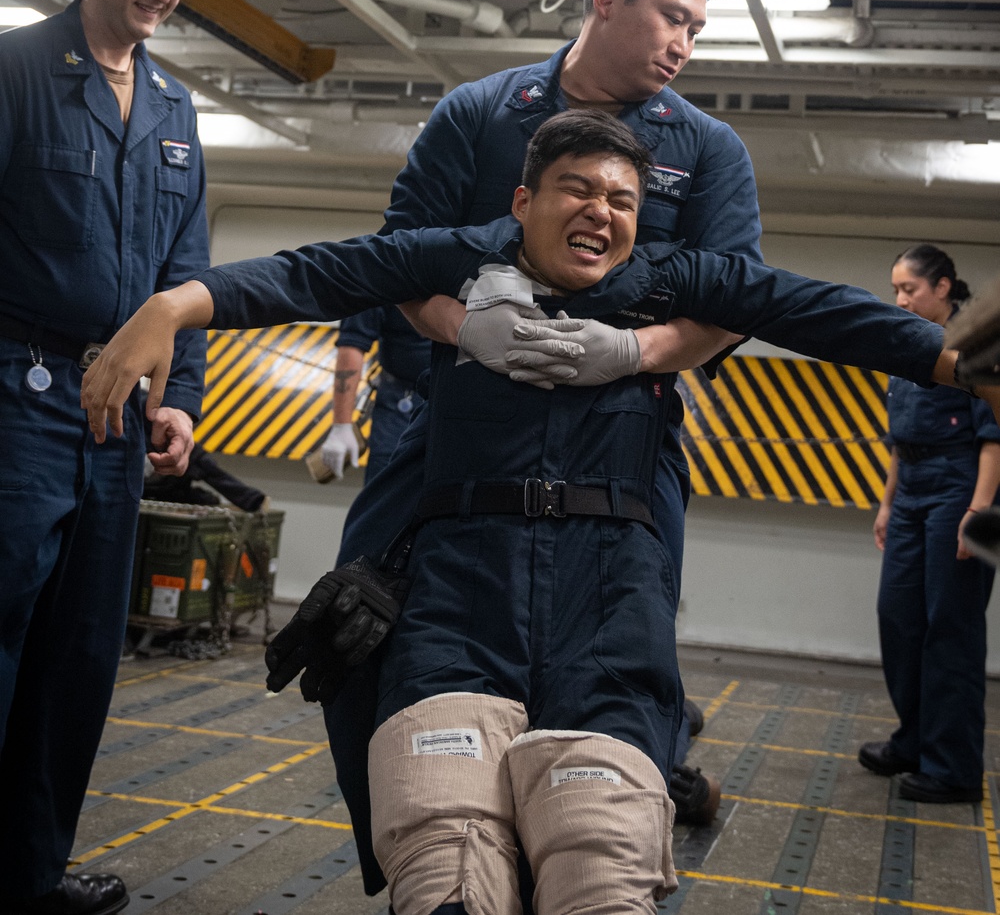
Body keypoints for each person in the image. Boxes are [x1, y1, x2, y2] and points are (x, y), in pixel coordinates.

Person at [80, 112, 1000, 915]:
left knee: (600, 861)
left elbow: (819, 312)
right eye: (577, 189)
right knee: (444, 852)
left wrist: (962, 367)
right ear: (523, 203)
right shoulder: (458, 256)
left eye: (622, 199)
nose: (602, 211)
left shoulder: (675, 277)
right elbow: (321, 271)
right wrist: (175, 304)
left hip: (612, 600)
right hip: (458, 589)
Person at [334, 0, 757, 834]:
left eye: (697, 29)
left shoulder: (710, 150)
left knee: (629, 643)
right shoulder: (480, 114)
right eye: (672, 18)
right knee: (361, 611)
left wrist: (632, 354)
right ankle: (428, 823)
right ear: (607, 1)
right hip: (463, 427)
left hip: (625, 444)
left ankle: (628, 793)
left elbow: (735, 301)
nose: (684, 44)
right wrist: (471, 335)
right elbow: (397, 261)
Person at [0, 0, 213, 915]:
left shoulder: (173, 109)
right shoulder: (18, 70)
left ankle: (30, 869)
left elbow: (187, 272)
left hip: (121, 414)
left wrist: (184, 400)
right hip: (17, 389)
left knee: (81, 647)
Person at [859, 244, 1000, 804]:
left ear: (942, 288)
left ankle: (954, 768)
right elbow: (900, 440)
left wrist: (978, 511)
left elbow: (994, 439)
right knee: (899, 619)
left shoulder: (976, 346)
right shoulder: (909, 348)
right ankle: (914, 742)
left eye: (909, 289)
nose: (899, 299)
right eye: (895, 289)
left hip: (959, 490)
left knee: (950, 629)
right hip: (913, 492)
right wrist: (888, 503)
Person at [319, 308, 430, 482]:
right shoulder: (383, 281)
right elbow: (352, 343)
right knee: (385, 486)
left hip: (455, 399)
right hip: (399, 403)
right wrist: (341, 425)